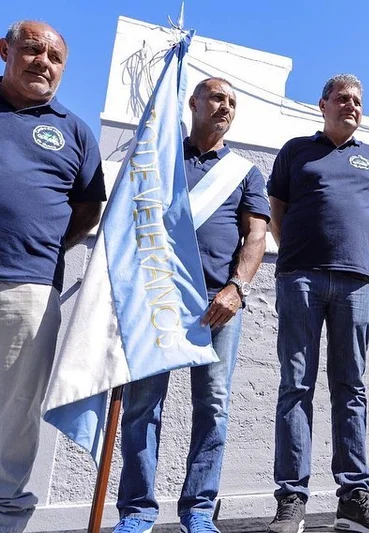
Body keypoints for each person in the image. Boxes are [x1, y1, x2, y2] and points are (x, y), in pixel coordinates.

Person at [111, 78, 270, 533]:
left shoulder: (244, 171)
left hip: (217, 303)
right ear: (193, 103)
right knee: (143, 406)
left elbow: (256, 235)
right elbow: (128, 221)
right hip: (155, 299)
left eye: (233, 102)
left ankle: (198, 510)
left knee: (213, 405)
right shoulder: (159, 158)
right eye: (217, 97)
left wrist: (237, 287)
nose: (225, 107)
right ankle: (137, 512)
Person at [266, 74, 369, 533]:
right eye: (342, 98)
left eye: (358, 100)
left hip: (357, 283)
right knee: (295, 386)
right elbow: (276, 212)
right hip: (300, 278)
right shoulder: (295, 151)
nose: (351, 105)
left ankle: (354, 497)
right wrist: (301, 256)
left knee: (351, 387)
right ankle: (291, 499)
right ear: (322, 104)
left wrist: (355, 257)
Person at [0, 20, 105, 533]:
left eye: (55, 57)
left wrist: (44, 246)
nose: (43, 61)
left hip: (29, 289)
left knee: (14, 417)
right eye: (32, 49)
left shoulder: (74, 130)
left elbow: (87, 210)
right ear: (5, 50)